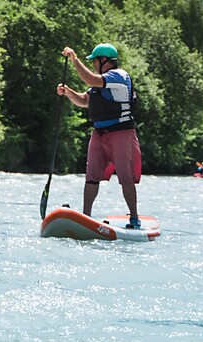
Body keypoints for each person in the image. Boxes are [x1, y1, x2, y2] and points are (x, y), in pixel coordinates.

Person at [56, 42, 142, 229]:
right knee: (91, 175)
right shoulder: (101, 81)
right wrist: (68, 92)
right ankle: (86, 217)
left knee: (125, 177)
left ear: (105, 60)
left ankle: (134, 218)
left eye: (95, 61)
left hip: (121, 132)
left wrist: (74, 59)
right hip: (100, 133)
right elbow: (84, 100)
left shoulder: (119, 76)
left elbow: (91, 80)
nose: (94, 64)